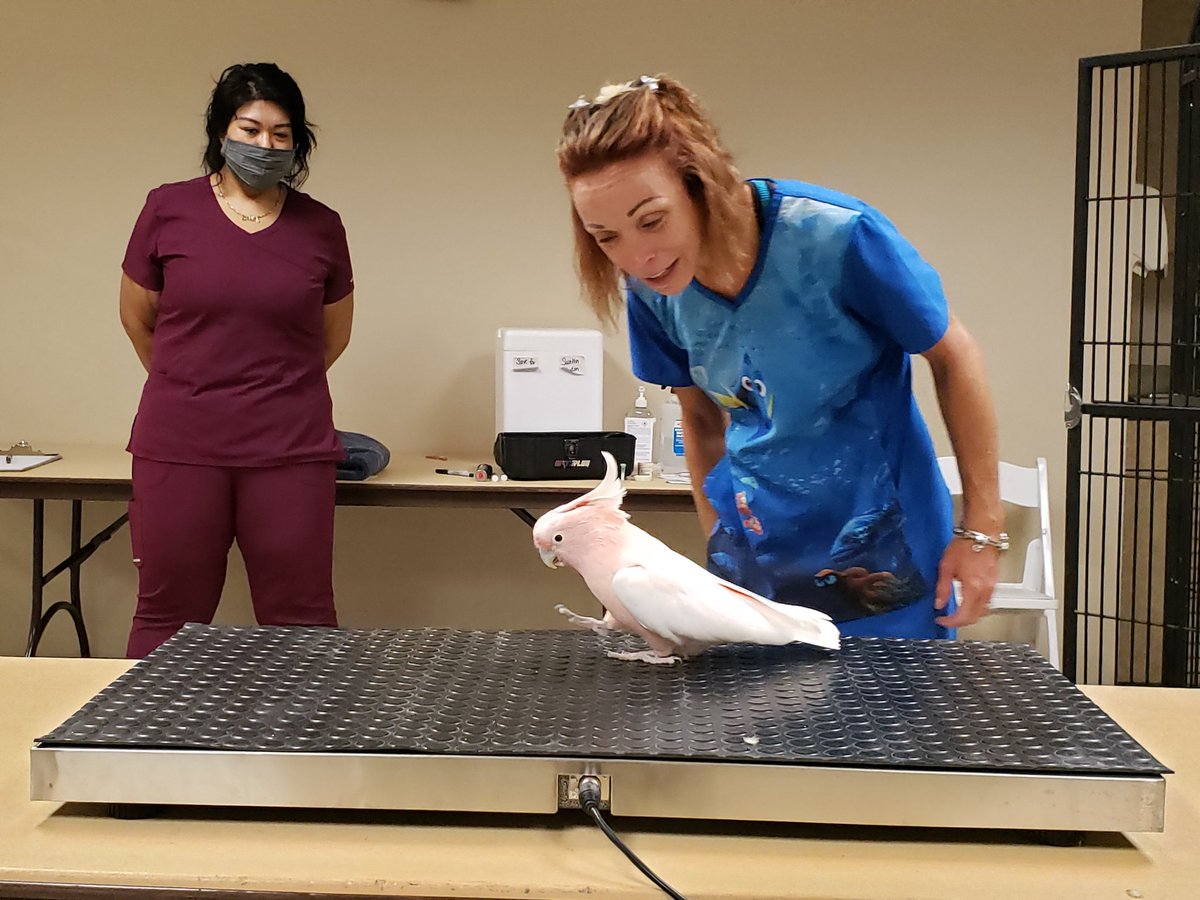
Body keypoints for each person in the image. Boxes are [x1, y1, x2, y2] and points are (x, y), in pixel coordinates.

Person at [557, 75, 1004, 639]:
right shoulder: (651, 291)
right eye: (607, 237)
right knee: (760, 698)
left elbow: (954, 355)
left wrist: (982, 531)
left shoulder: (836, 237)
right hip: (758, 554)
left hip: (883, 547)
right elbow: (701, 419)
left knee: (894, 697)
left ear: (701, 181)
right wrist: (720, 548)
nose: (639, 257)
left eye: (652, 220)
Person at [118, 62, 354, 657]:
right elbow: (138, 318)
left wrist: (270, 391)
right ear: (221, 131)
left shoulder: (321, 227)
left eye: (281, 133)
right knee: (167, 616)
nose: (264, 145)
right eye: (250, 130)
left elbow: (332, 336)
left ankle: (303, 725)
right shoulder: (168, 208)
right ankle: (149, 724)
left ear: (298, 142)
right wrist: (193, 384)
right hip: (180, 443)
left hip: (290, 448)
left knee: (301, 619)